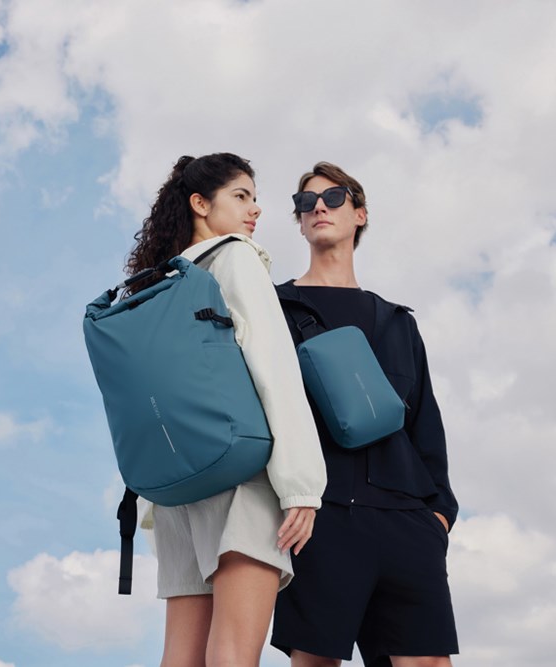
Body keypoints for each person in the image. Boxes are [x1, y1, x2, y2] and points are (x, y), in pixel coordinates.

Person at [126, 153, 326, 667]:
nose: (254, 209)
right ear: (200, 203)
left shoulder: (158, 282)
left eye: (255, 198)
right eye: (241, 196)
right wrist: (302, 485)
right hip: (238, 475)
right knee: (234, 652)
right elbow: (272, 364)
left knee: (181, 657)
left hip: (175, 490)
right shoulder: (236, 257)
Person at [270, 162, 459, 666]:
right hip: (320, 517)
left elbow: (425, 426)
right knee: (316, 661)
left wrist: (438, 515)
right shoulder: (274, 310)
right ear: (300, 222)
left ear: (360, 214)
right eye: (305, 202)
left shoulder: (397, 322)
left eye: (333, 197)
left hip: (407, 520)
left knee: (429, 662)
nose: (318, 207)